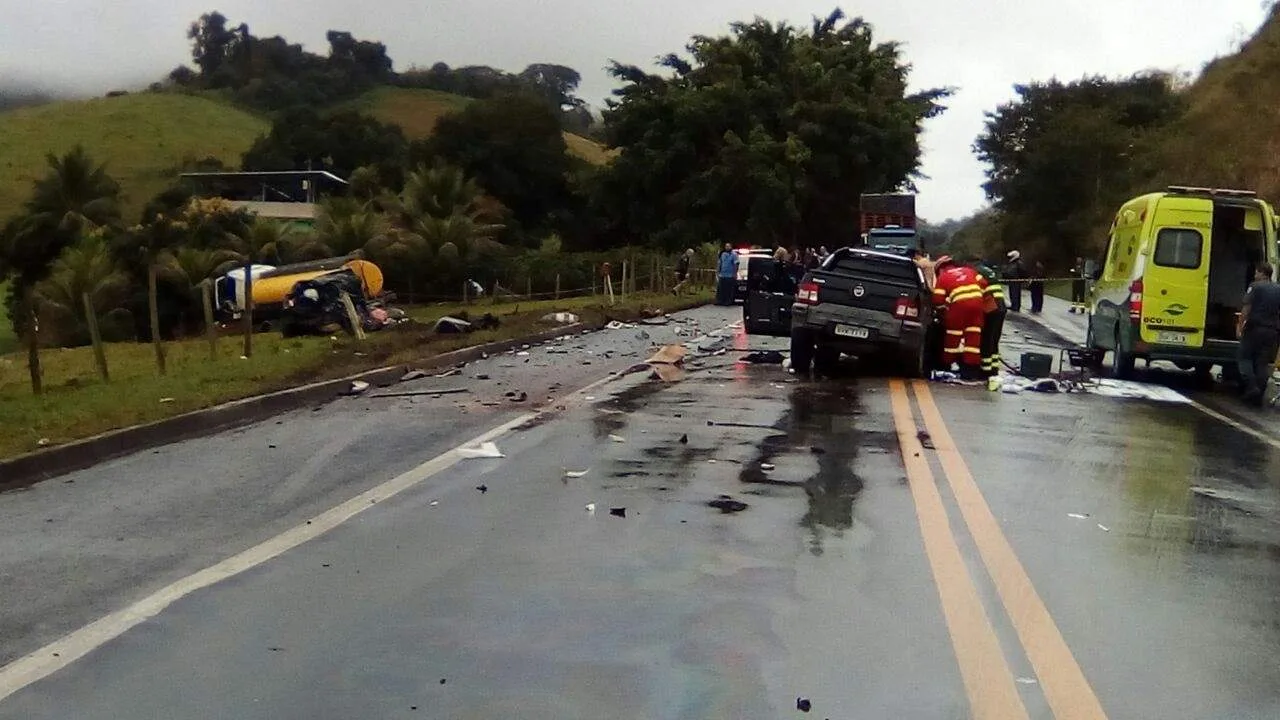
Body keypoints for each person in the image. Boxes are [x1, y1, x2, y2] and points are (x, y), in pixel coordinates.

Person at [932, 255, 988, 380]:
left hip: (959, 307)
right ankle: (970, 371)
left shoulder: (943, 277)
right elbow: (984, 284)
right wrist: (977, 297)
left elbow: (937, 300)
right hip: (977, 305)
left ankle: (946, 366)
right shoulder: (969, 270)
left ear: (940, 268)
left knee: (953, 335)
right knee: (973, 337)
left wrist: (945, 307)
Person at [1236, 262, 1280, 406]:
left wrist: (1240, 326)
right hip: (1272, 331)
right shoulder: (1278, 289)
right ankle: (1259, 392)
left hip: (1255, 328)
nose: (1255, 275)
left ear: (1261, 273)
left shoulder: (1255, 286)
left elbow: (1246, 308)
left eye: (1256, 272)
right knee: (1262, 362)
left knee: (1244, 358)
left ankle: (1252, 386)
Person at [974, 258, 1007, 378]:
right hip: (1001, 306)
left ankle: (985, 370)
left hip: (991, 307)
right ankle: (994, 369)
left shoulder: (976, 272)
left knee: (986, 339)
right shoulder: (987, 270)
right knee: (994, 339)